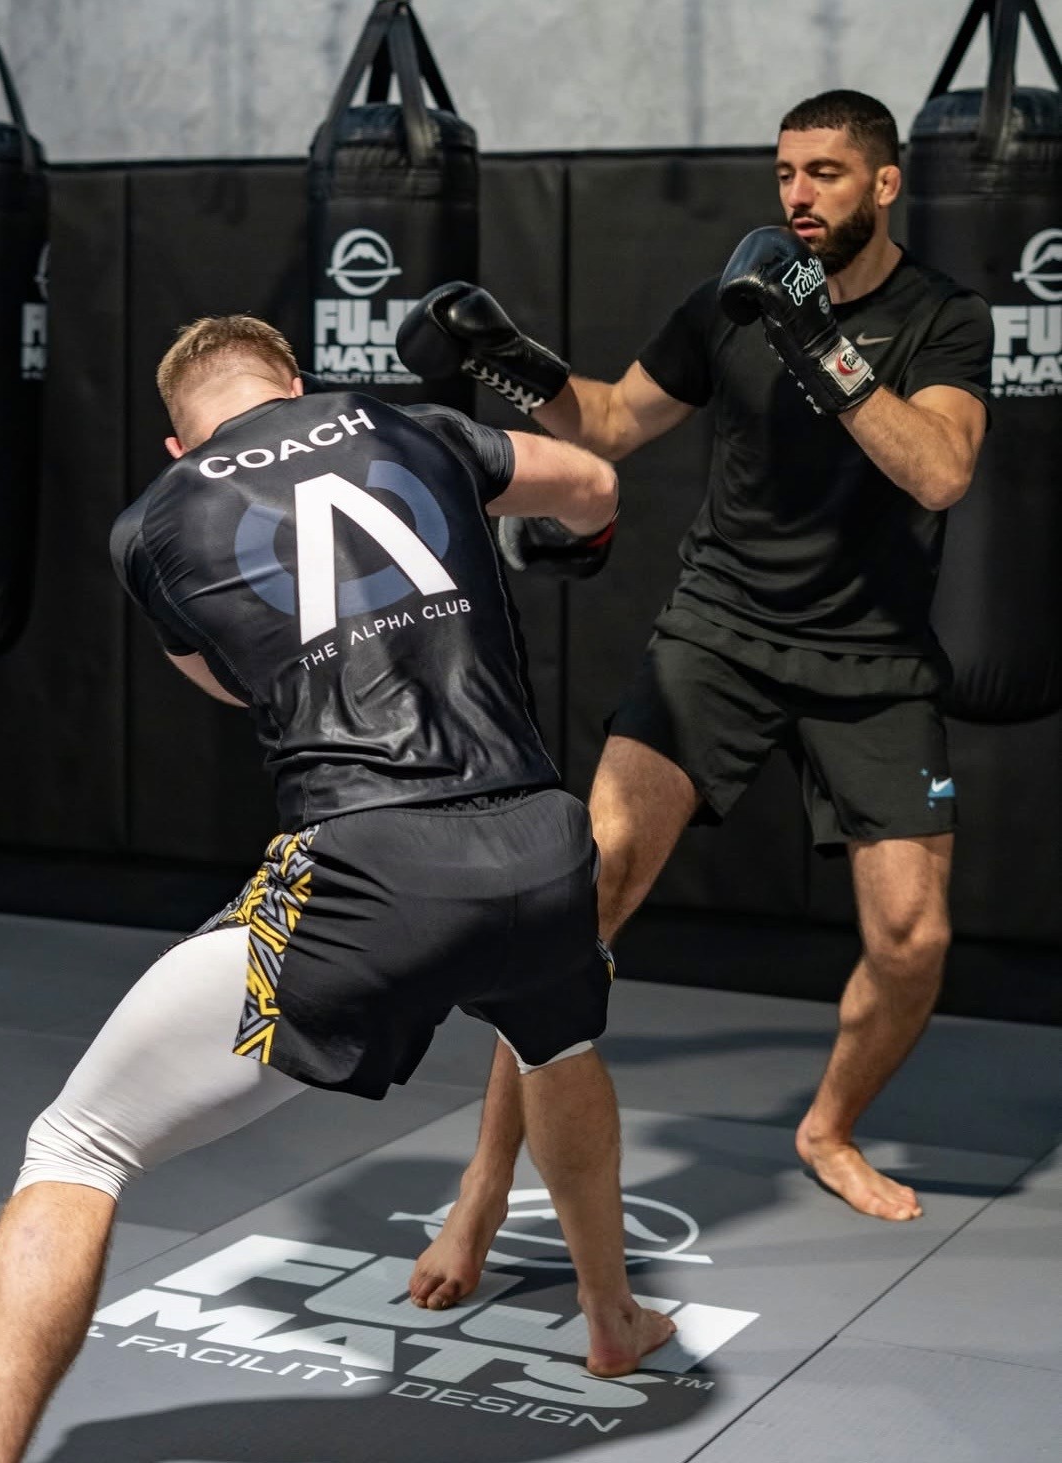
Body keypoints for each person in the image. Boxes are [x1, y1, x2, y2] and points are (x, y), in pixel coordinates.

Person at [0, 316, 673, 1463]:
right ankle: (613, 1316)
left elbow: (240, 680)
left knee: (76, 1146)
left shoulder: (154, 523)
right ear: (299, 385)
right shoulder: (413, 427)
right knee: (556, 1044)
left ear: (179, 443)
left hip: (375, 869)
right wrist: (578, 540)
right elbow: (588, 479)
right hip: (542, 845)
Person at [395, 87, 994, 1309]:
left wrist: (819, 340)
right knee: (584, 892)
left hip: (872, 655)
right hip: (720, 631)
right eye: (786, 172)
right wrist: (506, 358)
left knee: (913, 938)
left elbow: (938, 472)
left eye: (827, 172)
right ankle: (483, 1186)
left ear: (884, 185)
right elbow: (610, 419)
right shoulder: (731, 298)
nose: (798, 194)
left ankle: (826, 1127)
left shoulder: (944, 317)